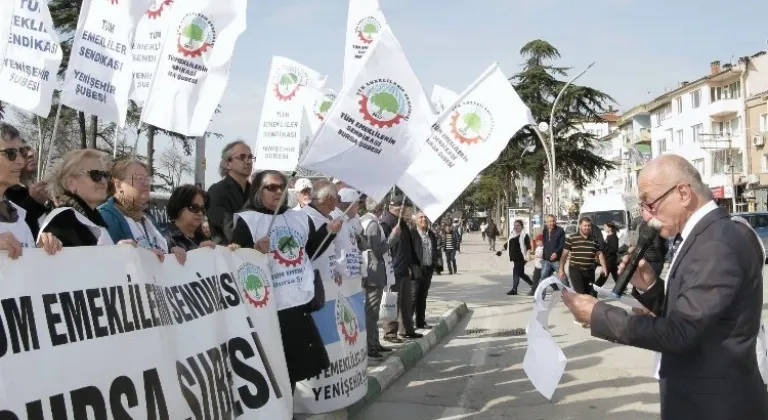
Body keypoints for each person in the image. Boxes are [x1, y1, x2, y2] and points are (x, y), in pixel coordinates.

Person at [561, 154, 768, 419]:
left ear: (683, 193)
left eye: (650, 203)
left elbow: (680, 332)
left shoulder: (716, 243)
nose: (647, 216)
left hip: (715, 406)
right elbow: (694, 314)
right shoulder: (703, 236)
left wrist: (598, 315)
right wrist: (649, 286)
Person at [231, 170, 341, 395]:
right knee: (274, 371)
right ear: (257, 191)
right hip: (269, 308)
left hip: (296, 303)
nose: (278, 191)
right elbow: (234, 262)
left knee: (293, 370)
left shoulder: (297, 216)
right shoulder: (247, 220)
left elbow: (308, 252)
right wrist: (253, 250)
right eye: (271, 187)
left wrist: (328, 232)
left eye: (281, 186)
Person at [99, 158, 186, 263]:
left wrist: (171, 252)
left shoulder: (148, 218)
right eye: (139, 179)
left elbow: (158, 249)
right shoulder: (105, 218)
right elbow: (103, 264)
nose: (146, 184)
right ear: (118, 185)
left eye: (147, 179)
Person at [0, 123, 60, 257]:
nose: (21, 162)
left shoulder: (18, 214)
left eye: (19, 153)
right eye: (10, 154)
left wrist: (40, 250)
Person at [39, 149, 116, 247]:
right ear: (71, 183)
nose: (103, 181)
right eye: (95, 174)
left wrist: (121, 250)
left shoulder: (90, 218)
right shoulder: (63, 222)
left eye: (106, 175)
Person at [380, 195, 422, 342]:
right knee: (391, 302)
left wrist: (414, 263)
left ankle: (407, 329)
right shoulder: (386, 222)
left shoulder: (402, 223)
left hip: (404, 267)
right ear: (398, 208)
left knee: (406, 303)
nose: (406, 211)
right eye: (405, 209)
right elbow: (384, 246)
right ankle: (390, 332)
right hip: (392, 269)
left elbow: (408, 246)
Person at [360, 197, 398, 358]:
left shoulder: (365, 220)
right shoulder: (373, 224)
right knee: (372, 311)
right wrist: (393, 238)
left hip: (370, 270)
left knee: (373, 311)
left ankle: (375, 342)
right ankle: (371, 346)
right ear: (380, 208)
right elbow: (377, 250)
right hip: (373, 272)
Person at [5, 131, 49, 238]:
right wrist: (33, 203)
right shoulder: (6, 192)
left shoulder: (36, 191)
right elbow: (11, 230)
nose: (31, 154)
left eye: (29, 150)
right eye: (23, 152)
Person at [207, 140, 252, 245]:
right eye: (242, 157)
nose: (248, 161)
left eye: (250, 157)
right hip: (227, 254)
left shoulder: (255, 192)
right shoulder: (217, 191)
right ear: (228, 163)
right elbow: (229, 229)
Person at [164, 184, 232, 251]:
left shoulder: (204, 238)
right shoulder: (163, 240)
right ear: (178, 207)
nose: (200, 213)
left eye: (202, 209)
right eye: (194, 207)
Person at [558, 217, 608, 299]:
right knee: (581, 294)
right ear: (580, 226)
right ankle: (583, 309)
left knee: (590, 294)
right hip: (576, 270)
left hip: (589, 271)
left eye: (589, 226)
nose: (587, 228)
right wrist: (561, 269)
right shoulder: (572, 238)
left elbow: (599, 254)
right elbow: (564, 255)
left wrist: (604, 267)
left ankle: (589, 310)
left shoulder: (594, 239)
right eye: (585, 225)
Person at [411, 210, 438, 329]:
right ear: (415, 220)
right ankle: (407, 324)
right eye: (421, 217)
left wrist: (434, 266)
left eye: (425, 217)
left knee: (423, 297)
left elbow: (435, 251)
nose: (424, 219)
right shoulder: (412, 234)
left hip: (428, 270)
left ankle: (420, 322)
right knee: (413, 297)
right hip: (416, 270)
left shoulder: (431, 234)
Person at [499, 219, 532, 295]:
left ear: (522, 226)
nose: (516, 227)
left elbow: (528, 246)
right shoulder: (512, 234)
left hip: (521, 257)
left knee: (516, 273)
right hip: (514, 257)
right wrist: (501, 250)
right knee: (521, 274)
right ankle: (533, 285)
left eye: (518, 226)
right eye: (515, 225)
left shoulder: (524, 235)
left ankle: (514, 289)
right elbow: (507, 244)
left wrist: (528, 255)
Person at [594, 222, 619, 290]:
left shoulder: (613, 237)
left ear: (610, 228)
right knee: (615, 274)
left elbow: (613, 249)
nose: (604, 228)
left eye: (605, 227)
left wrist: (605, 249)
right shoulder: (609, 236)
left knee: (604, 273)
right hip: (610, 258)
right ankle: (620, 287)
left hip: (610, 258)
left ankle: (595, 287)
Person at [540, 215, 565, 280]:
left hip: (556, 261)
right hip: (546, 260)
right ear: (547, 222)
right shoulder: (545, 230)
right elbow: (545, 243)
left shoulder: (560, 231)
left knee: (563, 279)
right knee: (543, 278)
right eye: (550, 221)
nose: (552, 223)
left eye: (553, 221)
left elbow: (562, 244)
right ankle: (541, 290)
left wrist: (556, 253)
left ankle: (567, 290)